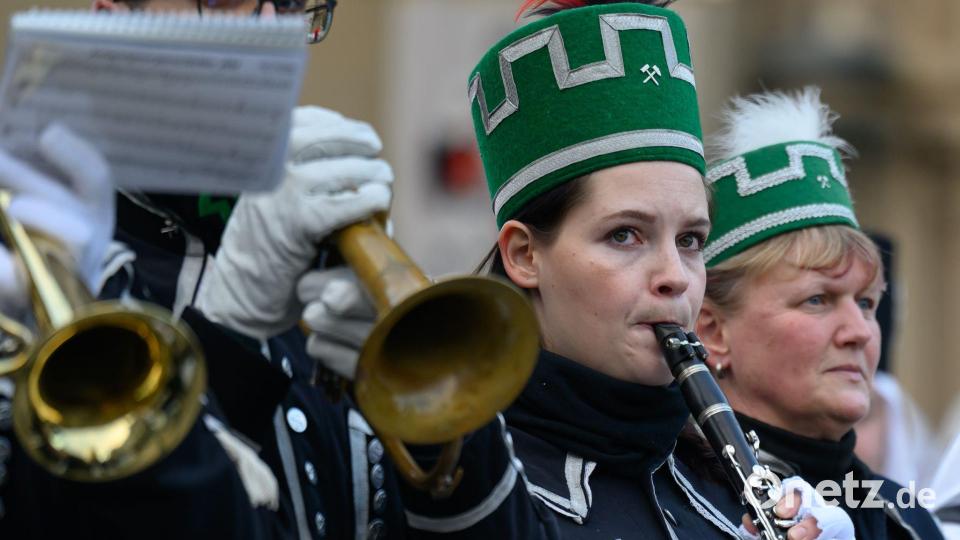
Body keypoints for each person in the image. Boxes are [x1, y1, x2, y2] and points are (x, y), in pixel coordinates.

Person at [0, 1, 542, 539]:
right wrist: (229, 342)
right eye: (223, 2)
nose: (270, 32)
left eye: (289, 6)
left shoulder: (321, 246)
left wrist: (430, 403)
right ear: (115, 16)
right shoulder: (40, 273)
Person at [320, 1, 851, 538]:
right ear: (524, 255)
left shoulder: (729, 494)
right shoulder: (438, 477)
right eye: (625, 235)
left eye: (691, 240)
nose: (676, 276)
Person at [693, 87, 945, 539]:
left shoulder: (904, 521)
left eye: (866, 303)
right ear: (712, 331)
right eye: (817, 300)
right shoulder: (671, 502)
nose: (860, 333)